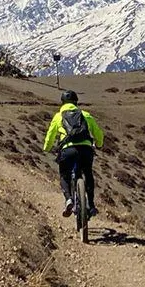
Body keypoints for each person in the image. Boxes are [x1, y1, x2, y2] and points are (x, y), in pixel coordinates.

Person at [42, 90, 105, 218]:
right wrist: (99, 144)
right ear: (76, 102)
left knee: (64, 175)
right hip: (85, 149)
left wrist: (46, 148)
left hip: (67, 150)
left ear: (62, 102)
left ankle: (69, 199)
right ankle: (91, 205)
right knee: (88, 173)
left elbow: (50, 136)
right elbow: (98, 133)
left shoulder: (58, 116)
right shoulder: (85, 115)